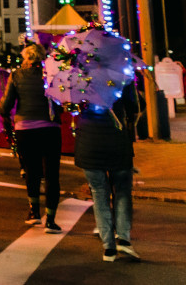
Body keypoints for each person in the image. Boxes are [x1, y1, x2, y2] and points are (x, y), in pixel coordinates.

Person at [74, 79, 140, 262]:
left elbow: (74, 104)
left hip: (89, 142)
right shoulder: (121, 75)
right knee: (122, 192)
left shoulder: (80, 76)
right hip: (116, 140)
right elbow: (133, 106)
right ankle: (124, 239)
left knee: (99, 193)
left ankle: (108, 247)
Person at [0, 44, 62, 233]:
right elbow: (60, 103)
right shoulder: (51, 75)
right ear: (43, 57)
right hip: (50, 129)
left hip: (25, 129)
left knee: (31, 171)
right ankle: (50, 220)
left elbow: (6, 105)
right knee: (52, 174)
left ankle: (34, 212)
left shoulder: (17, 75)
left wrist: (2, 107)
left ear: (26, 57)